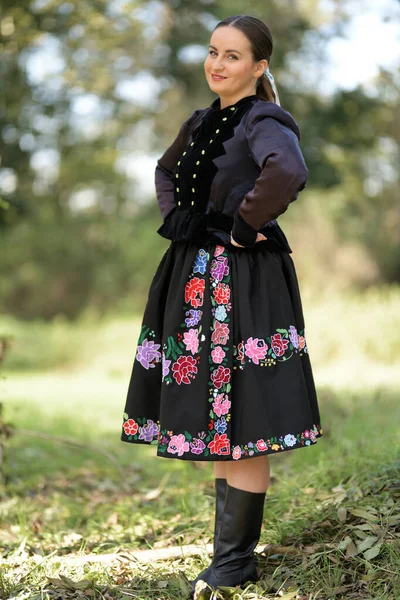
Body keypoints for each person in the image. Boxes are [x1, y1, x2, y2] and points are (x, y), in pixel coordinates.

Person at [120, 13, 323, 598]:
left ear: (260, 66)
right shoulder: (201, 120)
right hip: (194, 277)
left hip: (242, 277)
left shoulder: (263, 118)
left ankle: (234, 561)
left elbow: (286, 170)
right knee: (218, 415)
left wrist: (241, 227)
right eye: (213, 51)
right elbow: (165, 171)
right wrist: (181, 219)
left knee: (245, 412)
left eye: (232, 56)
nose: (216, 64)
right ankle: (227, 559)